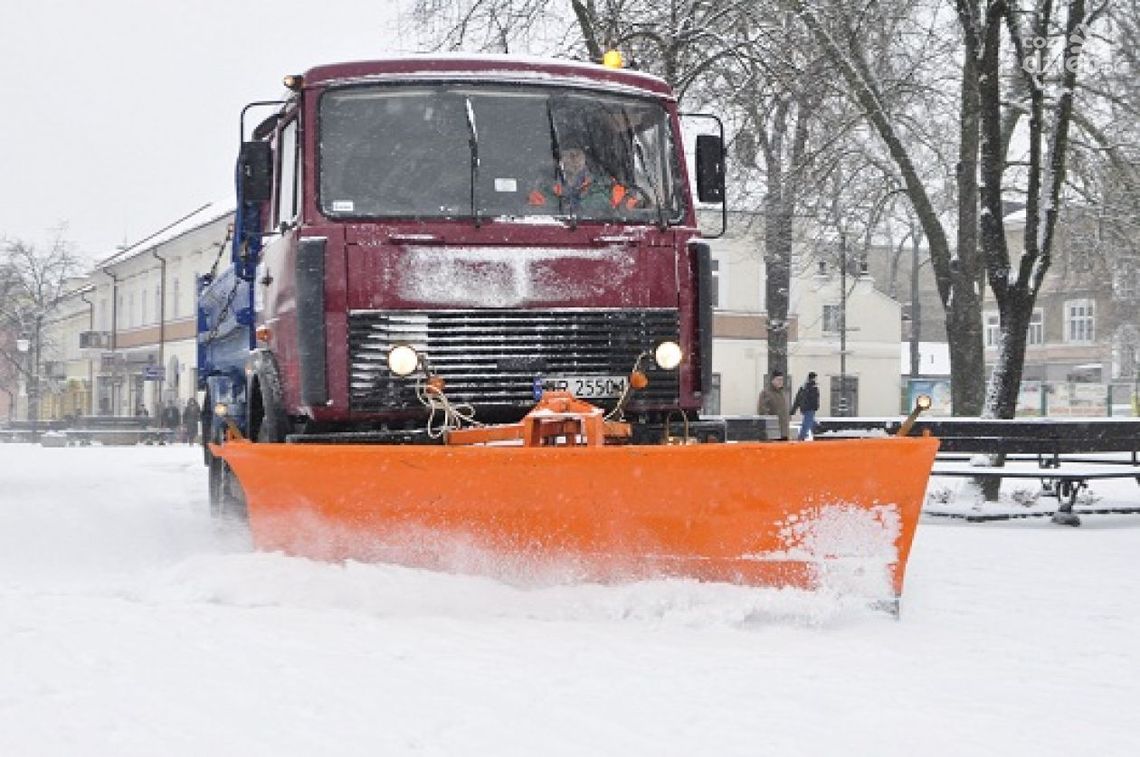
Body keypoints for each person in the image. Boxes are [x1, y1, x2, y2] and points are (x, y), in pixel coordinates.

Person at [527, 142, 642, 214]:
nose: (575, 158)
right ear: (560, 159)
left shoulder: (607, 187)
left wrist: (642, 207)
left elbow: (633, 208)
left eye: (578, 154)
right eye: (570, 154)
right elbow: (533, 218)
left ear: (584, 158)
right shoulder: (543, 190)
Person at [757, 370, 790, 441]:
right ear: (772, 380)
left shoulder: (782, 393)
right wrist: (769, 429)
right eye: (778, 380)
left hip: (783, 432)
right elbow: (763, 412)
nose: (780, 382)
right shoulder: (766, 393)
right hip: (773, 433)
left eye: (782, 380)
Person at [791, 371, 821, 441]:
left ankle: (807, 433)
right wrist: (816, 406)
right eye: (815, 378)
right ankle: (801, 437)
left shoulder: (804, 387)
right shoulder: (813, 387)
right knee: (807, 423)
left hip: (805, 408)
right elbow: (815, 399)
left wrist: (793, 410)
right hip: (810, 408)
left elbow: (798, 399)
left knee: (808, 422)